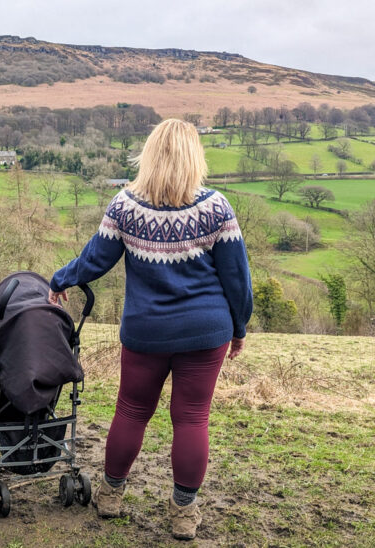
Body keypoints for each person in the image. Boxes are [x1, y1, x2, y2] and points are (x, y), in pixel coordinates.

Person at [48, 119, 252, 540]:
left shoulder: (125, 206)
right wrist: (239, 327)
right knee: (193, 418)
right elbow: (237, 279)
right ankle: (183, 514)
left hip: (146, 332)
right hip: (205, 330)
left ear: (150, 155)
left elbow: (94, 260)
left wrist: (59, 280)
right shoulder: (217, 208)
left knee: (132, 412)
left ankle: (109, 495)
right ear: (195, 157)